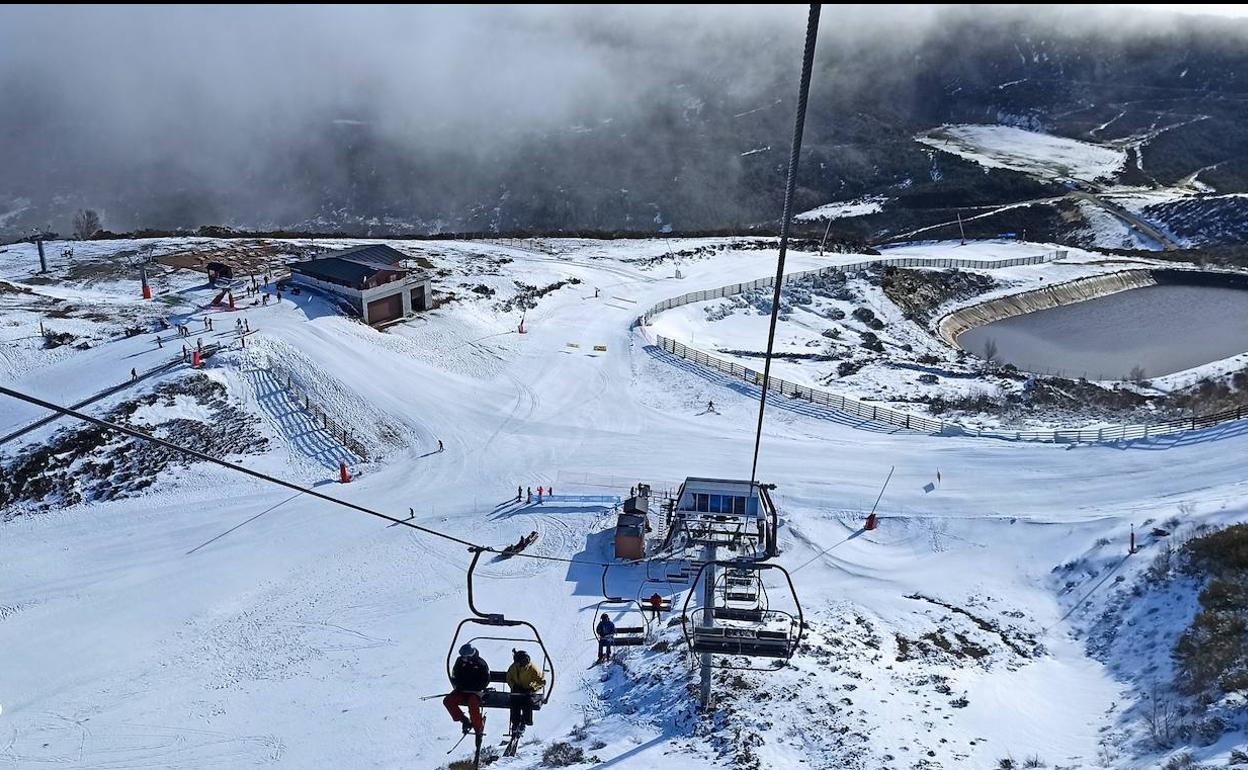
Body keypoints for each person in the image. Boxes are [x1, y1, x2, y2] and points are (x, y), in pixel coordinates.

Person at [444, 644, 490, 735]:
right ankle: (464, 720)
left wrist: (477, 689)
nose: (464, 659)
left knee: (473, 703)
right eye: (463, 657)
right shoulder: (459, 662)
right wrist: (459, 686)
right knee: (448, 700)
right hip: (462, 691)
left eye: (466, 657)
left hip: (475, 692)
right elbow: (455, 675)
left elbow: (485, 679)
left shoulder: (480, 663)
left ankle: (478, 727)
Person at [506, 649, 545, 735]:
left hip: (528, 692)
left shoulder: (532, 669)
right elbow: (509, 678)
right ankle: (515, 723)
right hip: (517, 691)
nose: (517, 664)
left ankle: (524, 722)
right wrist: (514, 686)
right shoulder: (514, 668)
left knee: (527, 703)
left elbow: (540, 682)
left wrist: (532, 689)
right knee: (514, 703)